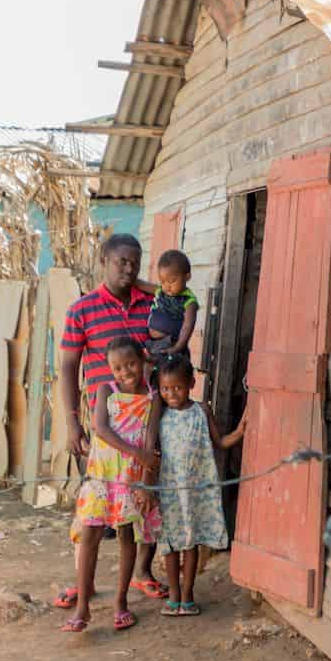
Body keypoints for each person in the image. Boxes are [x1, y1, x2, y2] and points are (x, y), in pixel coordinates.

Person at [58, 234, 166, 599]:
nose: (128, 268)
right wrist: (73, 422)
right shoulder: (81, 310)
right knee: (96, 507)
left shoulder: (152, 304)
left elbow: (180, 291)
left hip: (145, 423)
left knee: (145, 498)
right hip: (105, 430)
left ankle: (142, 573)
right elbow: (69, 367)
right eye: (121, 261)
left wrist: (143, 285)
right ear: (103, 259)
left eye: (135, 262)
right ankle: (83, 584)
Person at [58, 337, 161, 633]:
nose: (125, 372)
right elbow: (100, 429)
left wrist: (145, 478)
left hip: (130, 478)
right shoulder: (107, 391)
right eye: (117, 368)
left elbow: (151, 440)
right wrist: (137, 453)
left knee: (127, 536)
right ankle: (83, 607)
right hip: (102, 474)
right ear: (110, 370)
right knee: (90, 533)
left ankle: (120, 602)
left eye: (130, 364)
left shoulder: (153, 398)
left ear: (141, 360)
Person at [143, 353, 246, 616]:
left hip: (197, 493)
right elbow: (152, 453)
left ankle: (188, 595)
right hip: (170, 493)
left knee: (191, 542)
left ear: (191, 383)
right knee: (170, 543)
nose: (171, 394)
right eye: (165, 389)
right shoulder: (161, 415)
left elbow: (220, 442)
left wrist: (240, 431)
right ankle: (173, 595)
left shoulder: (202, 411)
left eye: (177, 387)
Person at [146, 249, 199, 364]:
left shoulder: (189, 301)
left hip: (170, 345)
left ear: (187, 277)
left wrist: (177, 348)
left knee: (167, 374)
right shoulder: (160, 291)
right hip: (153, 343)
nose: (167, 286)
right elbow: (142, 285)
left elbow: (187, 327)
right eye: (163, 281)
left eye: (172, 281)